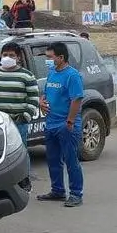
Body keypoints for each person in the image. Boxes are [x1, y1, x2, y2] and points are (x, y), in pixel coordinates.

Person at [37, 42, 85, 207]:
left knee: (71, 160)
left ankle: (76, 193)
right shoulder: (52, 72)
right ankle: (57, 190)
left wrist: (70, 122)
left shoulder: (72, 76)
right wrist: (41, 101)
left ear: (61, 57)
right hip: (50, 124)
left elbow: (77, 99)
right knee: (53, 159)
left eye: (50, 57)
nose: (47, 60)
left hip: (66, 125)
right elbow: (46, 92)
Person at [0, 42, 40, 175]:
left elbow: (34, 99)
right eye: (5, 55)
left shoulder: (26, 76)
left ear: (18, 58)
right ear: (0, 56)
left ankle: (24, 178)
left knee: (20, 152)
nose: (8, 57)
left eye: (12, 55)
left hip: (18, 121)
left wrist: (25, 117)